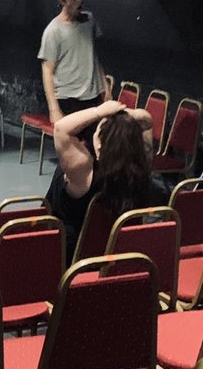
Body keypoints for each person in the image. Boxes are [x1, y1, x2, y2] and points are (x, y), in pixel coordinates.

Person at [49, 98, 156, 257]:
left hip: (72, 259)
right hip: (117, 252)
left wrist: (99, 111)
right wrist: (122, 115)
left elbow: (60, 129)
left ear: (99, 144)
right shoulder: (142, 168)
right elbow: (147, 119)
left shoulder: (83, 172)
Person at [39, 0, 109, 124]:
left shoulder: (89, 20)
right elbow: (47, 71)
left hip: (92, 95)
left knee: (103, 138)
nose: (80, 1)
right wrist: (54, 109)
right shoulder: (53, 31)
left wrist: (105, 88)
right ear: (62, 1)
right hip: (68, 98)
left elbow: (94, 56)